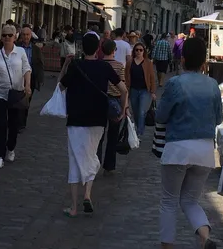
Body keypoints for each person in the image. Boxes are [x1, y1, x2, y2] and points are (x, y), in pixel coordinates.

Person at [157, 37, 222, 249]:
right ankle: (205, 236)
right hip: (204, 150)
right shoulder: (213, 85)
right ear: (204, 62)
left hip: (178, 147)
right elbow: (219, 118)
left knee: (169, 200)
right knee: (190, 201)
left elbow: (161, 116)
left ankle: (167, 246)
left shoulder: (175, 83)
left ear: (182, 60)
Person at [59, 32, 127, 218]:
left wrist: (65, 64)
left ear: (82, 48)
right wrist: (122, 109)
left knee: (75, 160)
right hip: (98, 119)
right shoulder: (104, 67)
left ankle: (73, 207)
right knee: (90, 156)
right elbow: (123, 89)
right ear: (98, 48)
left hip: (76, 119)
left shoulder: (75, 66)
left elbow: (61, 86)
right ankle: (87, 194)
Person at [0, 24, 32, 169]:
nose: (6, 38)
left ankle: (11, 147)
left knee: (13, 125)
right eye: (4, 35)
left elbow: (26, 69)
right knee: (1, 124)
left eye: (9, 35)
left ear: (15, 37)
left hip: (16, 93)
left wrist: (27, 85)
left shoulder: (21, 52)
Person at [98, 39, 130, 174]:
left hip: (100, 101)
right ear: (113, 51)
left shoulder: (98, 65)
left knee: (99, 135)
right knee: (113, 135)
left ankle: (96, 162)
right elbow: (123, 87)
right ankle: (109, 165)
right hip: (115, 101)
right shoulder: (118, 66)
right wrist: (125, 108)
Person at [126, 41, 157, 138]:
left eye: (141, 50)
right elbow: (127, 76)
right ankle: (138, 128)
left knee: (142, 111)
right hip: (134, 90)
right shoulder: (130, 62)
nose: (139, 52)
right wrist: (126, 90)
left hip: (145, 90)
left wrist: (152, 91)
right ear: (134, 51)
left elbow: (152, 77)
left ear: (144, 51)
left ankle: (139, 132)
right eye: (137, 50)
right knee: (135, 112)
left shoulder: (148, 62)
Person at [17, 25, 44, 131]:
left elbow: (40, 64)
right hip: (18, 77)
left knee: (26, 101)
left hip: (31, 78)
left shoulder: (36, 49)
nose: (26, 37)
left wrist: (40, 79)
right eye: (23, 35)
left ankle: (22, 122)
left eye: (27, 34)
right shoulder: (16, 46)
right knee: (17, 100)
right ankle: (17, 122)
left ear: (31, 35)